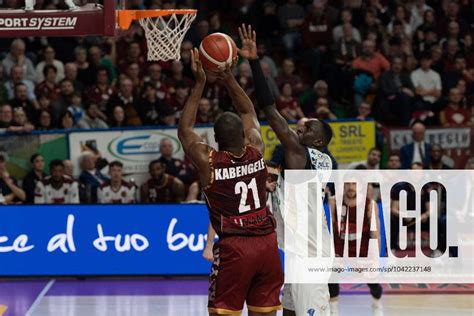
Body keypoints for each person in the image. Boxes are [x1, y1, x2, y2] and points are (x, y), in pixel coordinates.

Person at [178, 46, 282, 315]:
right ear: (245, 136)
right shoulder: (256, 149)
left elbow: (185, 130)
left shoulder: (209, 162)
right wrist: (228, 77)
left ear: (215, 138)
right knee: (266, 310)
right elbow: (249, 113)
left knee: (223, 312)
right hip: (268, 243)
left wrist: (200, 82)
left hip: (235, 246)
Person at [241, 24, 333, 316]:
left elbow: (270, 110)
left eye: (310, 126)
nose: (303, 123)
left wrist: (254, 62)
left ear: (318, 140)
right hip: (298, 251)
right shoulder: (305, 157)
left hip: (310, 255)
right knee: (290, 311)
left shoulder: (304, 154)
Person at [328, 182, 383, 315]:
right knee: (331, 277)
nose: (351, 187)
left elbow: (375, 233)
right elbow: (331, 228)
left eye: (354, 184)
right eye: (347, 184)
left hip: (361, 247)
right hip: (340, 246)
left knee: (373, 280)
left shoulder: (369, 204)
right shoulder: (334, 202)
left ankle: (377, 305)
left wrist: (376, 258)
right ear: (343, 186)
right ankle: (334, 310)